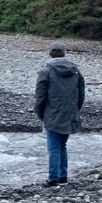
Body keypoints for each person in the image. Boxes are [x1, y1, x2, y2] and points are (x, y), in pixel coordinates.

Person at [34, 41, 85, 187]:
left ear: (49, 54)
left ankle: (53, 179)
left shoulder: (46, 71)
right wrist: (75, 110)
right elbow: (81, 95)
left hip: (52, 113)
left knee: (53, 148)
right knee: (62, 146)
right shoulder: (76, 71)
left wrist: (40, 113)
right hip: (70, 113)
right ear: (64, 54)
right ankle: (63, 177)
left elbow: (40, 97)